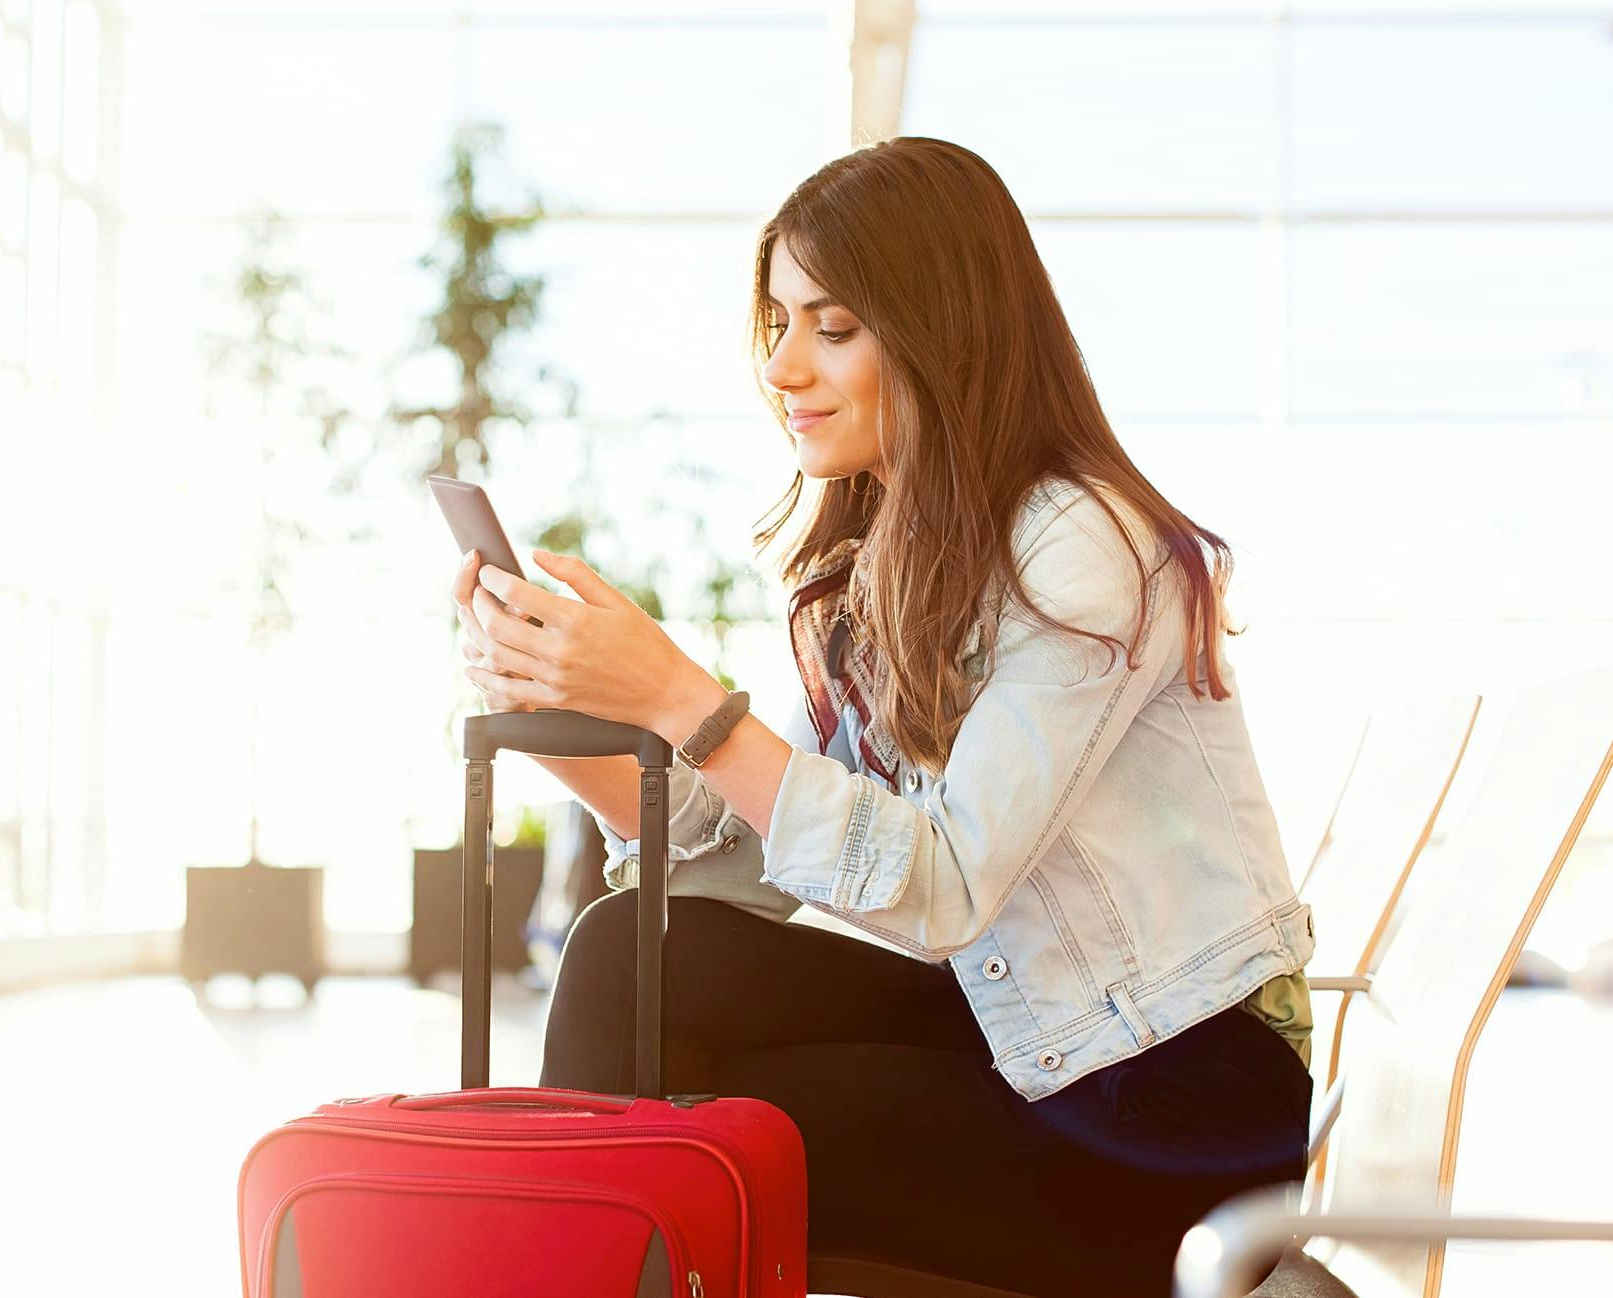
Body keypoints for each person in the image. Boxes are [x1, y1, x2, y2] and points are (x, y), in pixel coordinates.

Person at [448, 136, 1315, 1298]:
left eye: (834, 327)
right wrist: (574, 700)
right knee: (634, 951)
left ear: (941, 331)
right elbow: (756, 860)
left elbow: (945, 882)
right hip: (1046, 1047)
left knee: (695, 1141)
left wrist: (675, 693)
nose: (784, 367)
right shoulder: (891, 563)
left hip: (1176, 1114)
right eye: (779, 323)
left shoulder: (1083, 547)